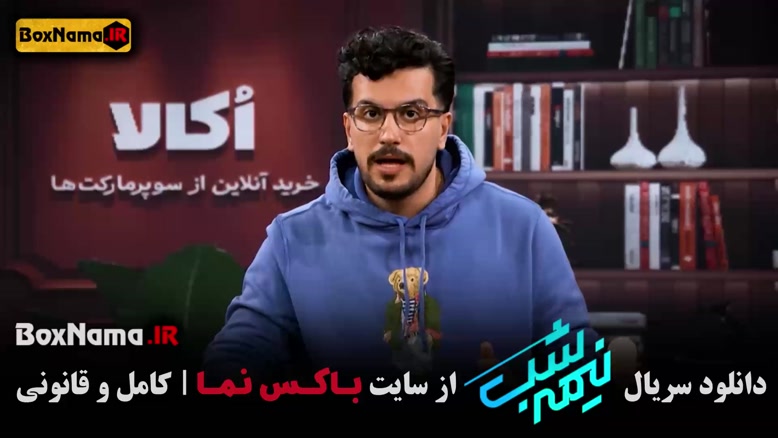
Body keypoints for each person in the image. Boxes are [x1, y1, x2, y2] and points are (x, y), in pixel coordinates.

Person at [204, 26, 596, 382]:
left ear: (443, 128)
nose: (388, 134)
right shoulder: (292, 239)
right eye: (371, 114)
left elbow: (578, 365)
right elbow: (235, 359)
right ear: (349, 129)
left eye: (411, 114)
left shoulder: (523, 228)